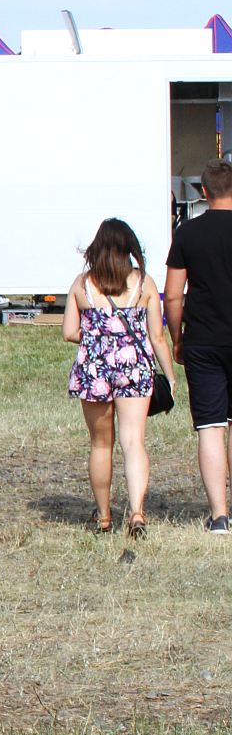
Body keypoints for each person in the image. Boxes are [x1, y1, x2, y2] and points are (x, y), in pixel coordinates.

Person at [64, 218, 173, 539]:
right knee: (133, 442)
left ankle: (104, 517)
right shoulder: (145, 284)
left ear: (96, 248)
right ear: (130, 249)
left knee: (101, 444)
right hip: (135, 369)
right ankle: (137, 513)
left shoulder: (82, 285)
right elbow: (157, 336)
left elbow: (69, 331)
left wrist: (99, 333)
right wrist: (170, 374)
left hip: (94, 369)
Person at [164, 159, 232, 533]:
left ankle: (219, 515)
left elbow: (173, 297)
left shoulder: (188, 234)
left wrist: (177, 338)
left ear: (203, 193)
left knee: (210, 426)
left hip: (203, 340)